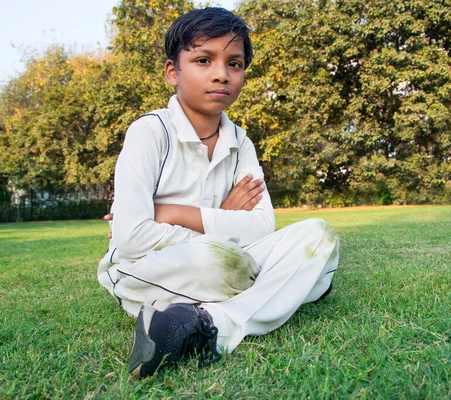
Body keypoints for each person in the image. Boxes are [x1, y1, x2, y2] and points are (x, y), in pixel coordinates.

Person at [97, 7, 340, 378]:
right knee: (222, 261)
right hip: (148, 269)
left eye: (235, 64)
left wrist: (172, 211)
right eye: (203, 59)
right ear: (172, 72)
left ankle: (205, 325)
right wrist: (223, 221)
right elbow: (131, 240)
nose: (221, 75)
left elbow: (262, 227)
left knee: (319, 236)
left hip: (222, 257)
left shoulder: (241, 142)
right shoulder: (149, 133)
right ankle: (293, 287)